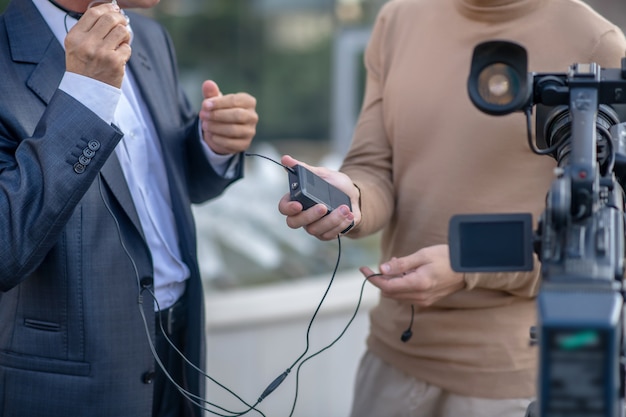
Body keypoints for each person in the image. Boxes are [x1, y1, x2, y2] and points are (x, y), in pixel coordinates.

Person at [278, 0, 626, 416]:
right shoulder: (398, 18)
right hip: (391, 362)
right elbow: (374, 166)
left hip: (506, 385)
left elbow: (605, 240)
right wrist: (350, 198)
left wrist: (468, 267)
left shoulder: (598, 45)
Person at [0, 0, 258, 416]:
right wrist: (85, 96)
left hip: (182, 345)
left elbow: (171, 184)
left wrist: (212, 146)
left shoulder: (151, 37)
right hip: (74, 386)